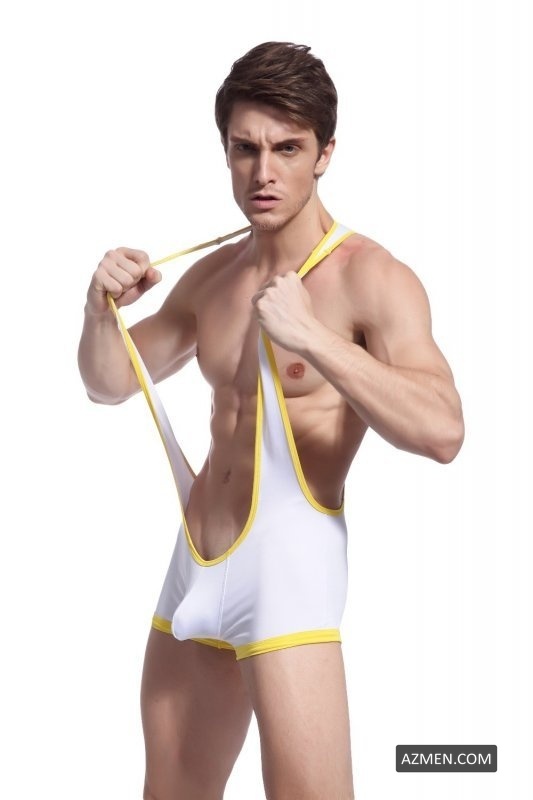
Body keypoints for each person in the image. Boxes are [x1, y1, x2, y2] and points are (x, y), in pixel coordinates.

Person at [78, 41, 464, 800]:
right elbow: (109, 382)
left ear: (325, 154)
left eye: (287, 148)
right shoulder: (211, 277)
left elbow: (443, 431)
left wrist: (314, 340)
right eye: (245, 148)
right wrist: (98, 313)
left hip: (288, 574)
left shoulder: (370, 277)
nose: (264, 172)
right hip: (194, 563)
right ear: (225, 151)